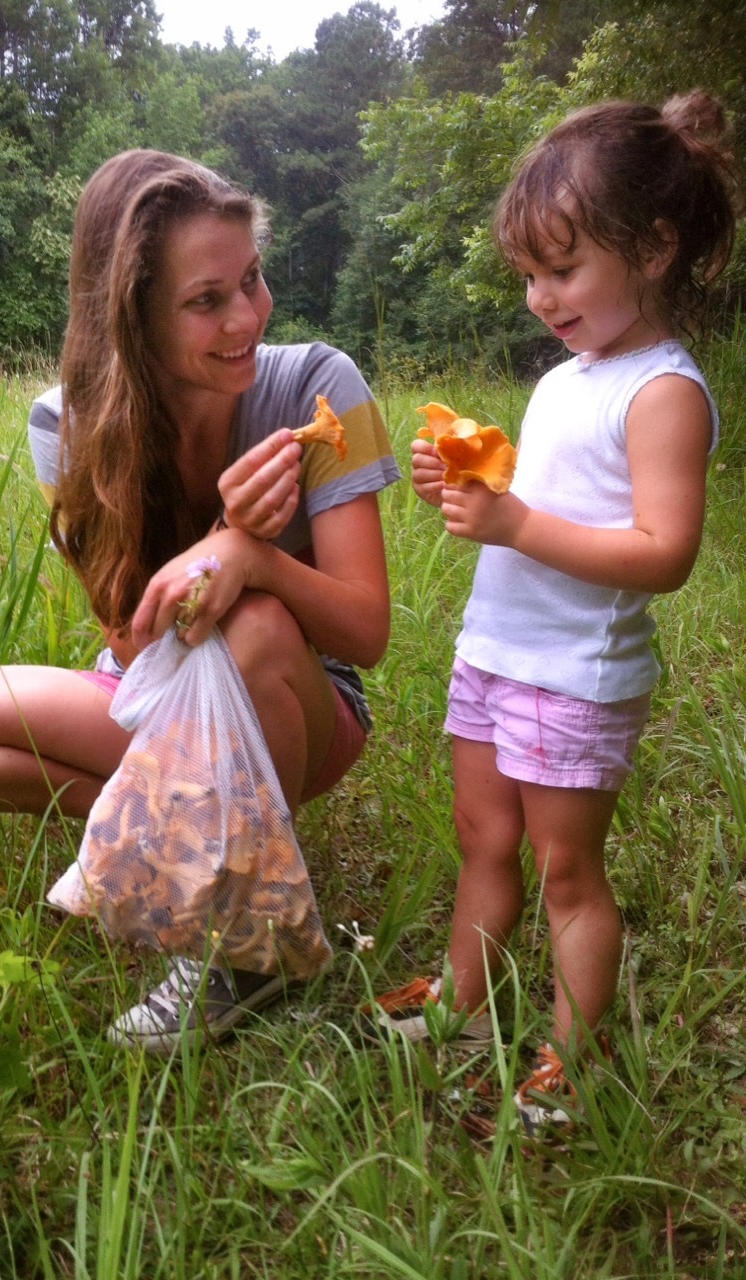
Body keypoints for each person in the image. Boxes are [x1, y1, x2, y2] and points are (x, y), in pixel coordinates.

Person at [0, 149, 399, 1054]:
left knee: (251, 621)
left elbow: (366, 633)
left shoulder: (325, 388)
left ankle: (244, 953)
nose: (246, 316)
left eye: (252, 280)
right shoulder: (68, 424)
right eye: (206, 300)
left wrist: (256, 556)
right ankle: (159, 850)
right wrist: (217, 539)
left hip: (303, 707)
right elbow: (130, 647)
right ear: (130, 312)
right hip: (147, 695)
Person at [366, 92, 739, 1132]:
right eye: (527, 273)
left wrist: (513, 520)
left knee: (567, 871)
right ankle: (459, 1004)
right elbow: (545, 497)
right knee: (479, 836)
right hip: (497, 650)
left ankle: (572, 1058)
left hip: (572, 670)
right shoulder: (570, 374)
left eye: (561, 268)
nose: (538, 295)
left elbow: (660, 552)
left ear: (655, 247)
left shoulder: (661, 391)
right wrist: (475, 476)